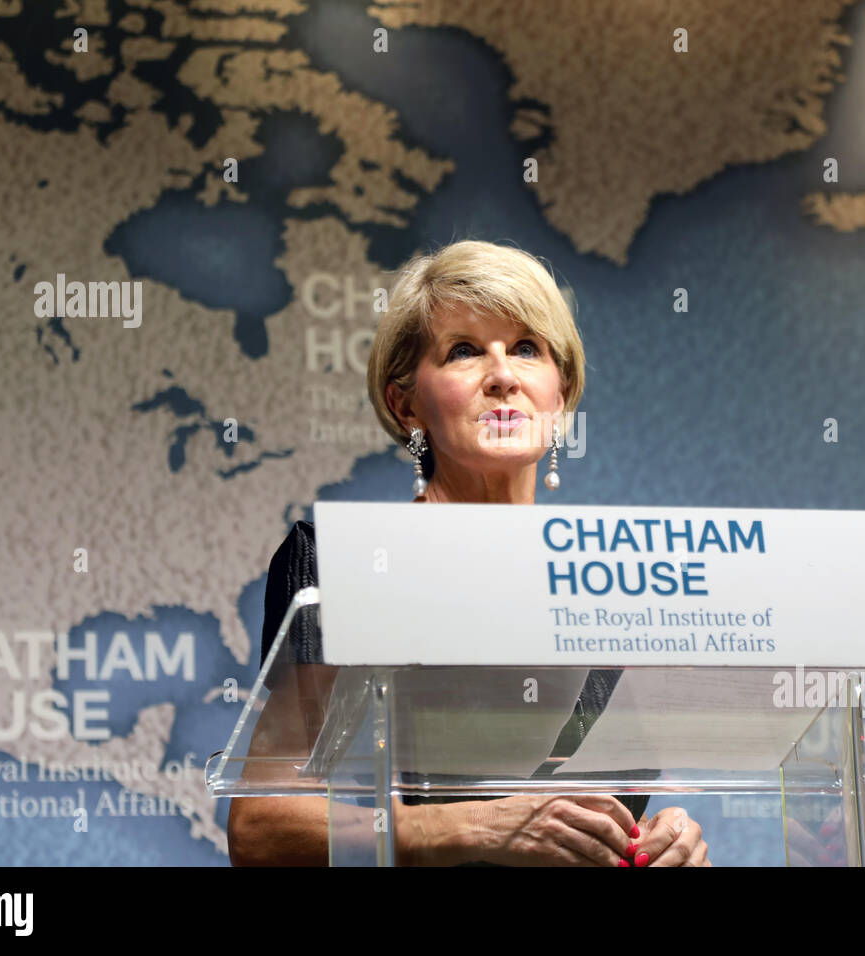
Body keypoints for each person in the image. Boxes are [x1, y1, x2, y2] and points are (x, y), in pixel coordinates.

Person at [227, 240, 710, 866]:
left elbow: (584, 817)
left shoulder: (615, 584)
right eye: (464, 351)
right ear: (406, 405)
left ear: (560, 394)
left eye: (527, 349)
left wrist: (663, 842)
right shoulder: (348, 565)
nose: (503, 376)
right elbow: (259, 827)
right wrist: (471, 828)